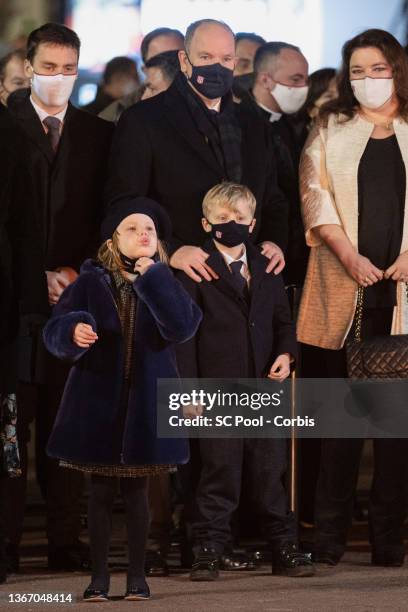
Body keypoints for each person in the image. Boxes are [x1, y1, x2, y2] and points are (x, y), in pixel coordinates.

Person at [42, 196, 202, 601]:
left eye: (148, 229)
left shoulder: (164, 281)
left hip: (146, 401)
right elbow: (55, 330)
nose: (143, 234)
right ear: (113, 240)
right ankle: (98, 577)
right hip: (97, 402)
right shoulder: (90, 282)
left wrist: (155, 278)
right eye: (132, 228)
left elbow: (183, 326)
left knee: (137, 496)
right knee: (98, 493)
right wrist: (73, 330)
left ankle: (136, 575)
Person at [3, 22, 114, 572]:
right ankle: (5, 542)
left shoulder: (97, 134)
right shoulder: (5, 127)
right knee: (10, 427)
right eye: (48, 68)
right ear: (28, 67)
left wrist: (72, 270)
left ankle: (65, 541)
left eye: (68, 69)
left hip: (74, 301)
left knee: (67, 422)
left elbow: (106, 215)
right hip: (14, 305)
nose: (58, 79)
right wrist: (35, 276)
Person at [298, 28, 408, 567]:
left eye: (378, 68)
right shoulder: (330, 127)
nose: (368, 79)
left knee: (397, 429)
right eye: (358, 71)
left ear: (398, 68)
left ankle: (389, 540)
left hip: (404, 291)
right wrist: (350, 258)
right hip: (349, 288)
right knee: (341, 424)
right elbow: (315, 198)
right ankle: (328, 539)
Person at [176, 182, 314, 580]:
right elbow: (184, 337)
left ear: (252, 224)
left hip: (262, 391)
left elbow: (283, 323)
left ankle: (283, 547)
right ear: (207, 223)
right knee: (219, 471)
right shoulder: (196, 270)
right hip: (216, 390)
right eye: (222, 219)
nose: (230, 224)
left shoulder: (267, 269)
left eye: (238, 219)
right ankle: (208, 548)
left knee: (270, 472)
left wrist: (287, 356)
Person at [106, 18, 289, 285]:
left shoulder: (252, 124)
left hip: (247, 283)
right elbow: (124, 201)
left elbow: (272, 197)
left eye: (226, 59)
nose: (217, 67)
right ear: (184, 60)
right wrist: (171, 251)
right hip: (175, 283)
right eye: (205, 56)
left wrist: (274, 242)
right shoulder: (143, 120)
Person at [0, 103, 48, 583]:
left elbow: (27, 230)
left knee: (7, 433)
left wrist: (30, 313)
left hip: (6, 315)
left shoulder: (10, 137)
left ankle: (5, 544)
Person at [250, 41, 309, 286]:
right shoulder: (240, 124)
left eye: (305, 80)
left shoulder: (292, 123)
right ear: (266, 80)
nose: (303, 88)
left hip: (291, 249)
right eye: (295, 80)